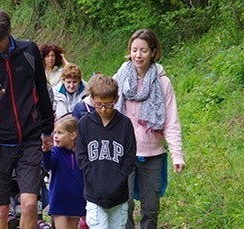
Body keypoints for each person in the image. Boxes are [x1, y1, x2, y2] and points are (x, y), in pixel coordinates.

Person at [0, 9, 54, 229]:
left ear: (10, 32)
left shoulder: (30, 51)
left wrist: (47, 131)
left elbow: (42, 92)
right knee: (2, 209)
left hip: (29, 139)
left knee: (30, 203)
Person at [113, 29, 185, 229]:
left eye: (143, 50)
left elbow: (171, 121)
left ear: (153, 52)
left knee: (151, 209)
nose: (138, 55)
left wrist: (177, 155)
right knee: (123, 206)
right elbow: (103, 100)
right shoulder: (121, 77)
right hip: (123, 152)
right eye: (135, 50)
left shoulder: (163, 82)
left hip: (152, 154)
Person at [76, 75, 137, 228]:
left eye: (108, 104)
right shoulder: (84, 124)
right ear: (92, 99)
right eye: (98, 104)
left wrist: (120, 178)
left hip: (119, 196)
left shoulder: (125, 124)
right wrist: (93, 178)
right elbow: (82, 156)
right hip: (94, 195)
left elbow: (130, 156)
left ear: (116, 99)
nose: (103, 109)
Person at [42, 116, 86, 229]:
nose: (55, 136)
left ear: (73, 135)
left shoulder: (82, 154)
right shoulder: (55, 152)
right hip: (59, 200)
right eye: (55, 132)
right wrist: (46, 152)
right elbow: (47, 165)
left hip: (77, 199)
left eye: (60, 133)